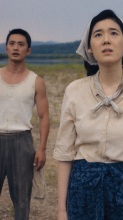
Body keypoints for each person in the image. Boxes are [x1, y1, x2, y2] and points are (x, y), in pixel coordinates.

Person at [53, 9, 123, 220]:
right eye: (98, 34)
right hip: (83, 190)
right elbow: (65, 153)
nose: (106, 40)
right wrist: (61, 210)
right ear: (89, 48)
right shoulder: (74, 90)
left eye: (113, 33)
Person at [0, 29, 50, 220]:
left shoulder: (36, 81)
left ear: (28, 50)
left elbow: (44, 117)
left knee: (22, 200)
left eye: (21, 44)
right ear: (6, 48)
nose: (16, 48)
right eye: (12, 43)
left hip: (22, 142)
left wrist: (42, 149)